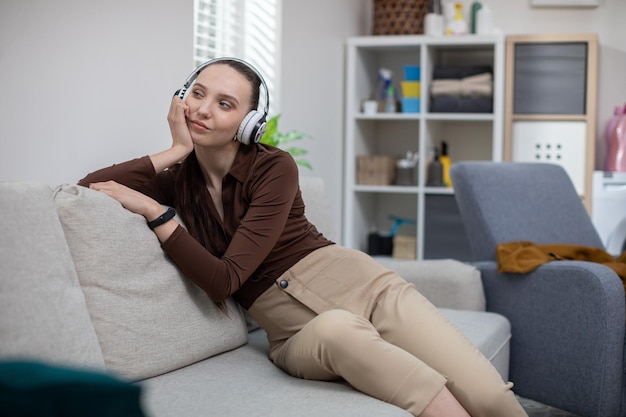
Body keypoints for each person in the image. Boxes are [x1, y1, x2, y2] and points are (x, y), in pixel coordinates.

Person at [79, 57, 528, 417]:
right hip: (299, 336)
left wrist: (160, 217)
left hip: (369, 289)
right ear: (180, 99)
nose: (201, 109)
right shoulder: (176, 182)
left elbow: (226, 274)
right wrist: (176, 152)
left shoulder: (274, 167)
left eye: (224, 103)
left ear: (248, 122)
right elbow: (90, 187)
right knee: (337, 330)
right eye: (197, 94)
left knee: (489, 400)